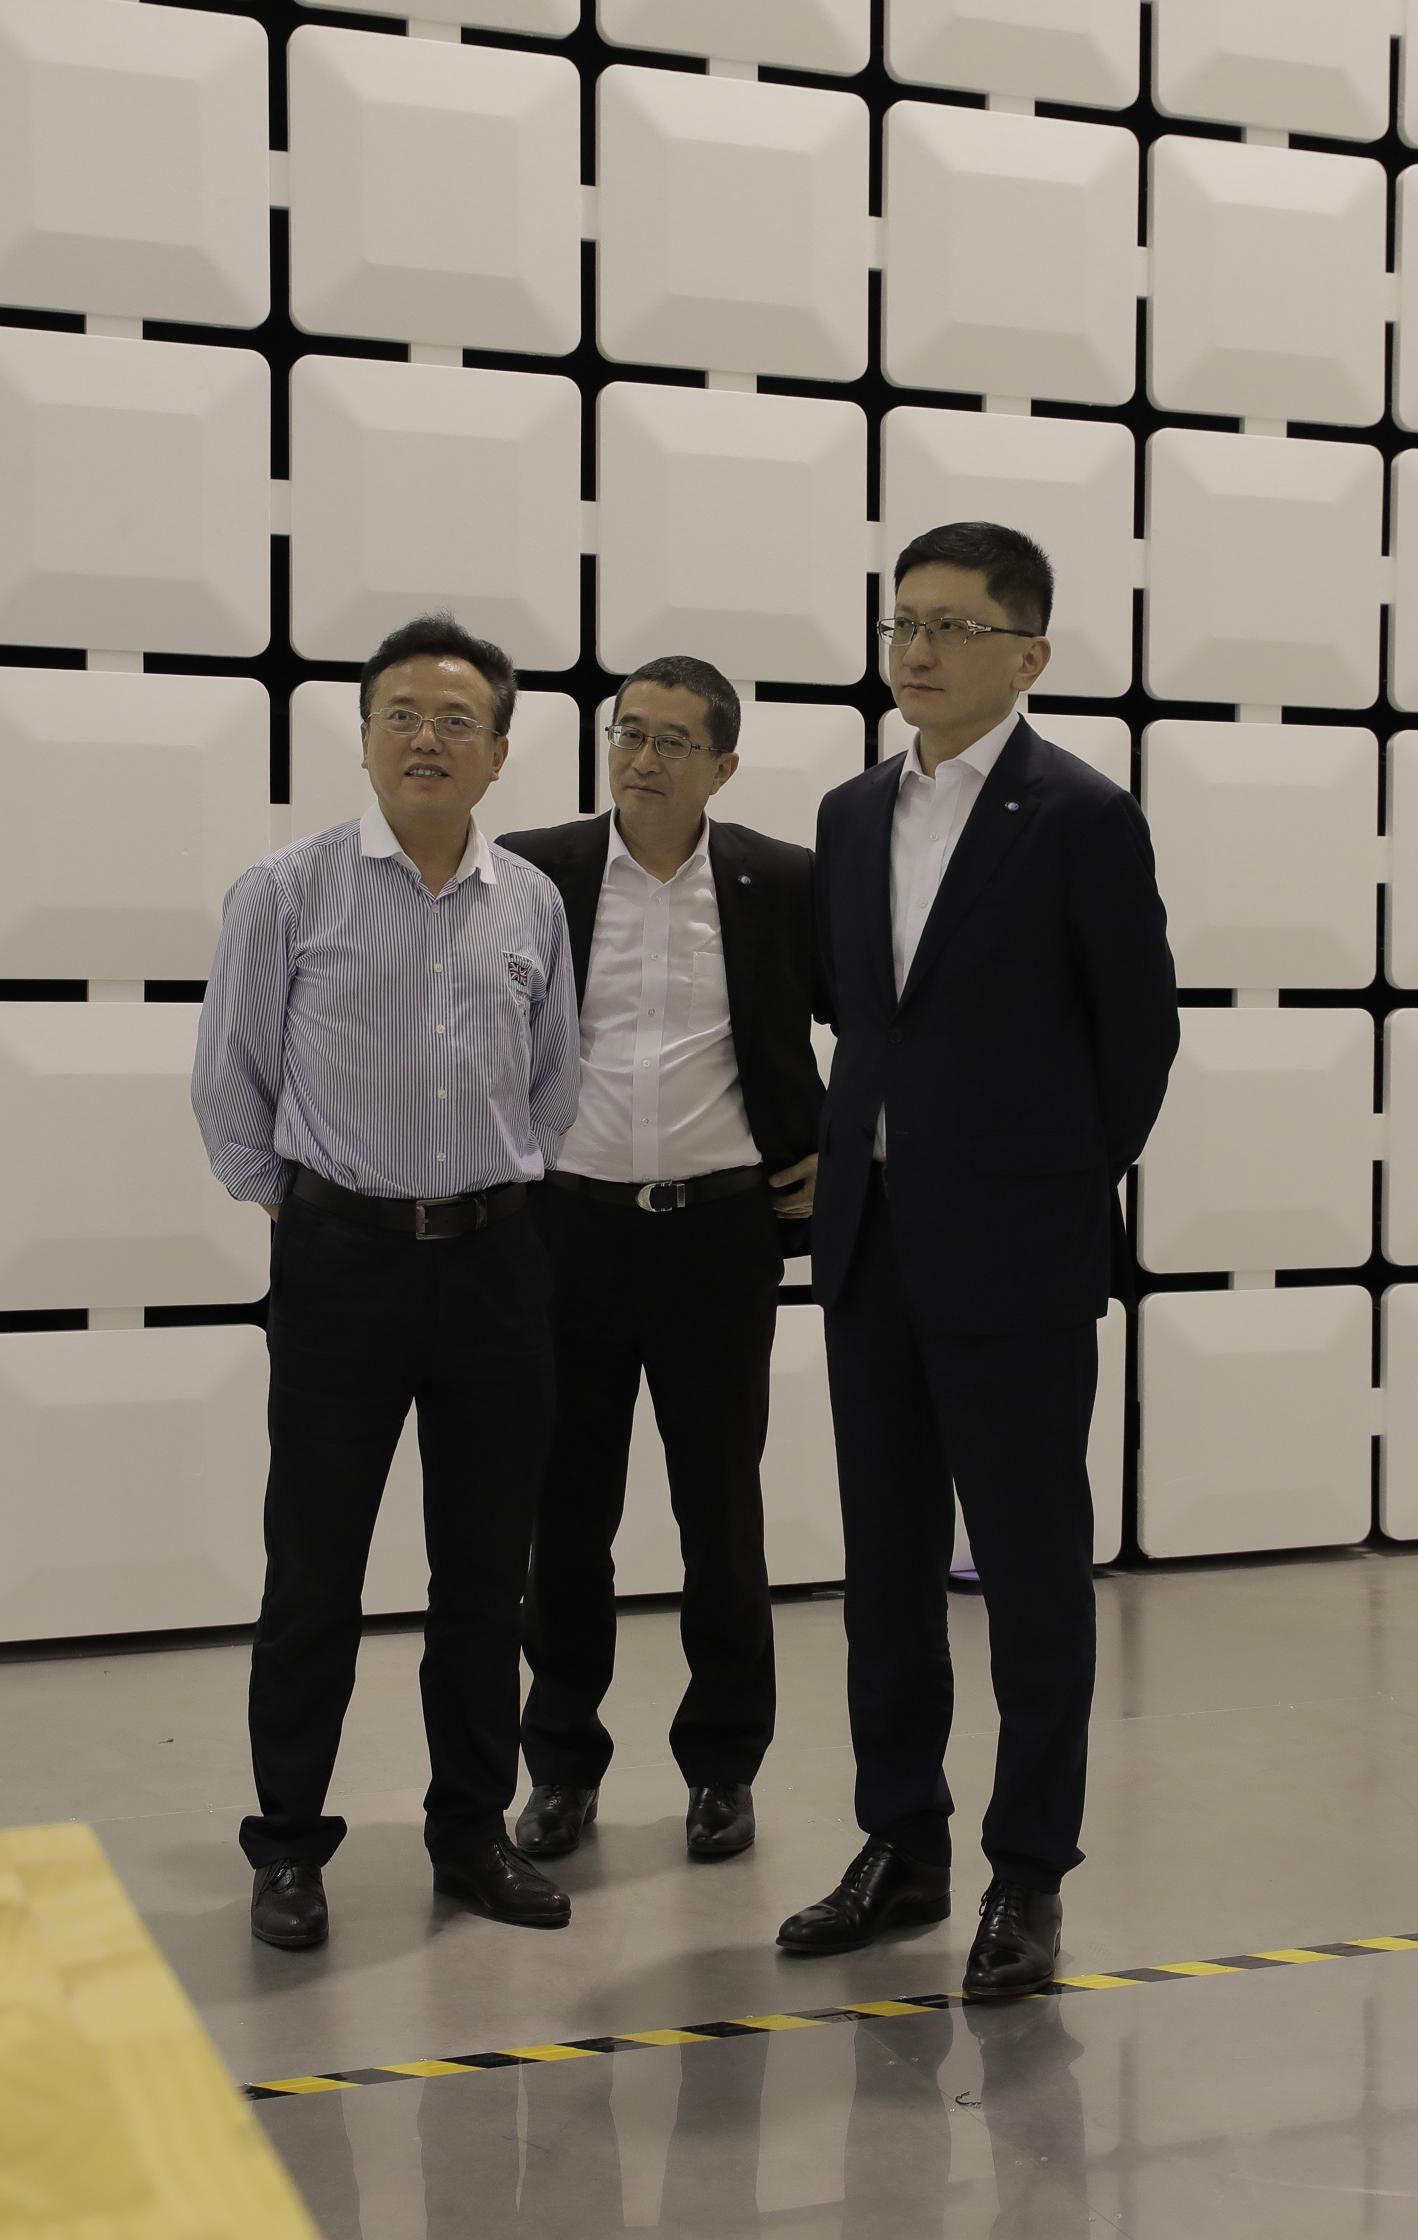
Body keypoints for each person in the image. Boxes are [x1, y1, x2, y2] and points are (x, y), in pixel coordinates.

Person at [774, 520, 1180, 1999]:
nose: (920, 650)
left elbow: (1138, 1041)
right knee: (884, 1574)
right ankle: (902, 1844)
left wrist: (1041, 1185)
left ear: (1030, 655)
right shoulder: (847, 814)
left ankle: (1029, 1874)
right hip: (871, 1249)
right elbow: (859, 1015)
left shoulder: (1080, 816)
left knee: (1030, 1580)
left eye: (953, 625)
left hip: (1018, 1256)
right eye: (903, 623)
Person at [192, 612, 580, 1950]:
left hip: (497, 1265)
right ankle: (289, 1846)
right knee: (315, 1571)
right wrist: (307, 1205)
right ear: (363, 738)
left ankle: (471, 1833)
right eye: (402, 714)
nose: (427, 737)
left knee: (485, 1575)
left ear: (498, 752)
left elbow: (554, 1078)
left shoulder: (531, 901)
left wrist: (492, 1190)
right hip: (342, 1264)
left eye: (457, 719)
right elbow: (229, 1081)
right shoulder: (287, 890)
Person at [497, 657, 822, 1867]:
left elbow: (874, 1023)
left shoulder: (781, 878)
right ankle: (560, 1765)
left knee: (719, 1511)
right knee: (564, 1514)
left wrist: (838, 1144)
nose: (641, 757)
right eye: (628, 731)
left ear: (723, 766)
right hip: (566, 1230)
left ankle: (723, 1765)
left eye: (674, 740)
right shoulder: (534, 870)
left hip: (718, 1234)